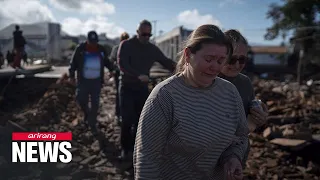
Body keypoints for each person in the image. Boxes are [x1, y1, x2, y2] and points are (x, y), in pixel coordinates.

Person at [133, 24, 249, 180]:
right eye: (209, 59)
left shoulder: (230, 93)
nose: (215, 66)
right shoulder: (165, 96)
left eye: (221, 60)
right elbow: (147, 157)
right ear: (188, 55)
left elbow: (241, 136)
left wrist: (233, 157)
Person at [117, 19, 176, 159]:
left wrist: (184, 70)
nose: (146, 38)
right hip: (127, 87)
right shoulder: (126, 45)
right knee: (126, 120)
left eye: (149, 35)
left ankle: (137, 149)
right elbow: (122, 64)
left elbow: (166, 62)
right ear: (137, 32)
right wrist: (138, 75)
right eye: (143, 34)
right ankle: (125, 149)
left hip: (142, 89)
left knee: (140, 120)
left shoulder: (152, 49)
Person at [219, 29, 269, 167]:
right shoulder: (205, 80)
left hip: (234, 159)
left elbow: (246, 127)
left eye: (242, 59)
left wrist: (260, 118)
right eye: (231, 59)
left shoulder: (245, 82)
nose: (236, 65)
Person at [69, 30, 114, 134]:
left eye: (95, 42)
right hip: (83, 80)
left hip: (96, 81)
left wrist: (112, 69)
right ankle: (87, 113)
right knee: (80, 98)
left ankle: (92, 122)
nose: (93, 44)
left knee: (95, 103)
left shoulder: (101, 49)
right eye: (91, 42)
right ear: (87, 41)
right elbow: (73, 63)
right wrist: (71, 76)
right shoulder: (80, 49)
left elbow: (106, 61)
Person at [109, 32, 130, 123]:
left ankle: (120, 115)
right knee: (121, 94)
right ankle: (120, 114)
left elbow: (111, 60)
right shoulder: (121, 48)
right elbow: (112, 61)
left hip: (123, 74)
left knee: (120, 94)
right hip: (122, 73)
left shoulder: (117, 48)